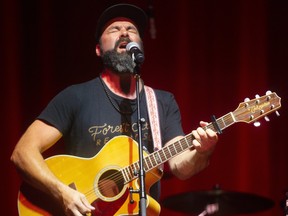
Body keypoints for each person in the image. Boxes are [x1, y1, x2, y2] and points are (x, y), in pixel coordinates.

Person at [11, 3, 218, 216]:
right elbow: (22, 153)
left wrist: (202, 152)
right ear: (98, 49)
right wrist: (62, 192)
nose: (124, 33)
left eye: (132, 30)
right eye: (114, 29)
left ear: (140, 46)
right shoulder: (75, 97)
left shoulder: (161, 102)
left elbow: (179, 167)